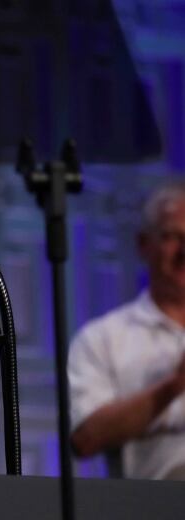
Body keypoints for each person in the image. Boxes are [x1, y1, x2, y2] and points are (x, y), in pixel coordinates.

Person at [68, 180, 185, 480]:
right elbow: (85, 439)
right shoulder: (103, 338)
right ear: (144, 244)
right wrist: (173, 387)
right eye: (173, 236)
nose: (184, 250)